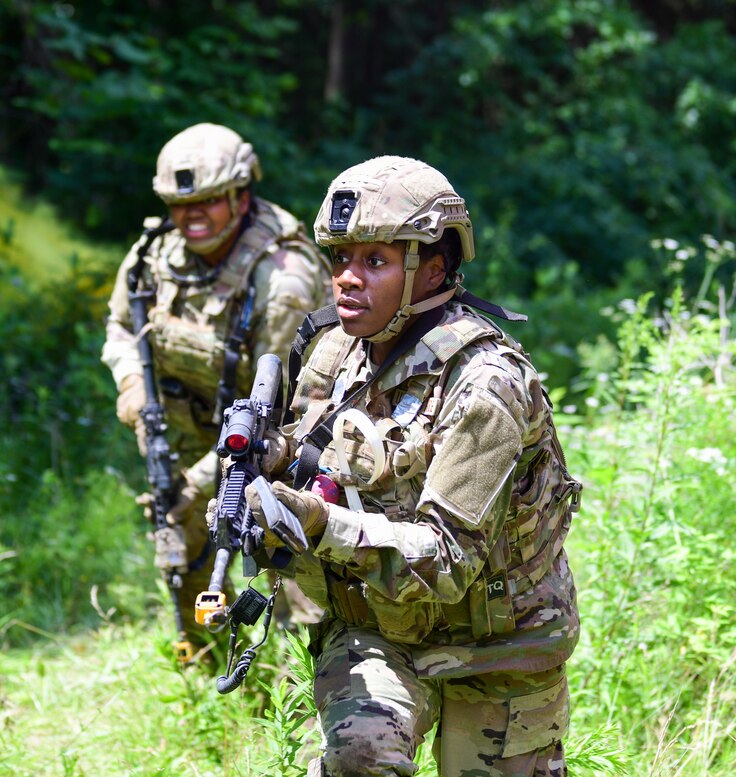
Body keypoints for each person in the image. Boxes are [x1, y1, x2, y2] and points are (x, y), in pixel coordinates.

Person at [242, 155, 581, 775]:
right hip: (378, 622)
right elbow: (309, 451)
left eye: (375, 260)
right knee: (360, 758)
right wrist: (266, 474)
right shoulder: (337, 351)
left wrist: (318, 524)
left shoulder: (486, 386)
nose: (347, 279)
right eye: (340, 258)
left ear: (434, 268)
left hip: (499, 644)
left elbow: (448, 560)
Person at [101, 122, 332, 662]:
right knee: (187, 573)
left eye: (208, 202)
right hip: (186, 440)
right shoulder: (153, 255)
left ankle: (301, 714)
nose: (192, 217)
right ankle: (214, 699)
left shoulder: (282, 278)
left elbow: (276, 407)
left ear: (240, 194)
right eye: (181, 205)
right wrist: (132, 380)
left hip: (277, 451)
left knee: (298, 591)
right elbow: (118, 327)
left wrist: (199, 483)